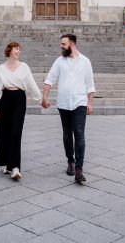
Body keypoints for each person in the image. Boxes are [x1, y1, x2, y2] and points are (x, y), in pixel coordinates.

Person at [42, 33, 95, 185]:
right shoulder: (60, 61)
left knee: (79, 133)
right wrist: (45, 97)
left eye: (63, 44)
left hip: (80, 102)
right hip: (64, 103)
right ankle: (70, 161)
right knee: (67, 134)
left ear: (72, 44)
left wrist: (90, 103)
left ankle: (79, 169)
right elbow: (50, 79)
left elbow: (90, 84)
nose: (61, 47)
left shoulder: (85, 62)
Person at [0, 41, 43, 180]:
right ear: (9, 50)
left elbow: (31, 84)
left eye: (20, 49)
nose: (18, 51)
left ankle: (15, 167)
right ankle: (8, 165)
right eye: (16, 49)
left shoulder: (24, 67)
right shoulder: (1, 68)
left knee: (15, 132)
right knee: (4, 132)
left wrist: (40, 99)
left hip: (19, 99)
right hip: (6, 99)